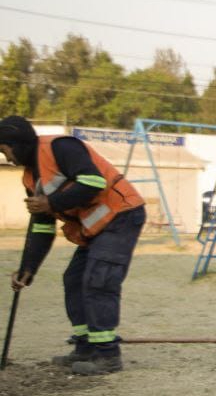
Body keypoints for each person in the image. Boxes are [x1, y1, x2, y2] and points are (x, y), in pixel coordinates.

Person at [0, 116, 146, 376]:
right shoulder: (30, 179)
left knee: (98, 279)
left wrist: (51, 202)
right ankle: (86, 347)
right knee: (74, 279)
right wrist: (28, 267)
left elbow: (93, 182)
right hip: (96, 227)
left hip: (122, 214)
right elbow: (43, 226)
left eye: (4, 150)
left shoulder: (60, 147)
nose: (6, 157)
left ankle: (108, 356)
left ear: (16, 143)